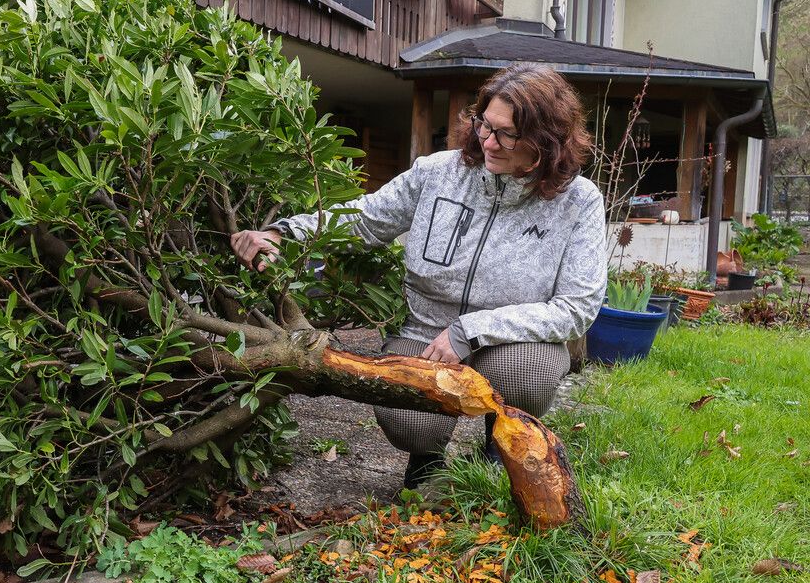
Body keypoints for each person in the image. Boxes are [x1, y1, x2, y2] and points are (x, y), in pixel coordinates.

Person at [230, 63, 607, 488]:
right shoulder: (438, 173)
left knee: (524, 376)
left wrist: (472, 330)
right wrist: (286, 233)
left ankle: (498, 440)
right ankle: (426, 460)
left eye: (508, 134)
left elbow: (577, 307)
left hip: (513, 338)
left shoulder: (578, 202)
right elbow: (365, 219)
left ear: (546, 140)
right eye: (485, 125)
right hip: (427, 329)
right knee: (407, 420)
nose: (489, 141)